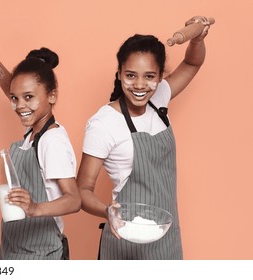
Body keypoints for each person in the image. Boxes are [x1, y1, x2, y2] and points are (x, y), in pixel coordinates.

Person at [76, 16, 212, 259]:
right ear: (119, 74)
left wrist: (197, 39)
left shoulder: (158, 100)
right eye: (130, 75)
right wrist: (107, 212)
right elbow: (82, 189)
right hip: (127, 241)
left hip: (167, 239)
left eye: (149, 76)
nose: (140, 85)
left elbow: (192, 63)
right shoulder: (103, 124)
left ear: (160, 77)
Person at [0, 39, 81, 260]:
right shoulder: (31, 133)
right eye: (15, 99)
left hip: (41, 255)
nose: (19, 106)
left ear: (52, 96)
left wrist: (34, 208)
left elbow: (74, 199)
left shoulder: (51, 141)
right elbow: (18, 91)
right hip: (14, 250)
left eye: (29, 98)